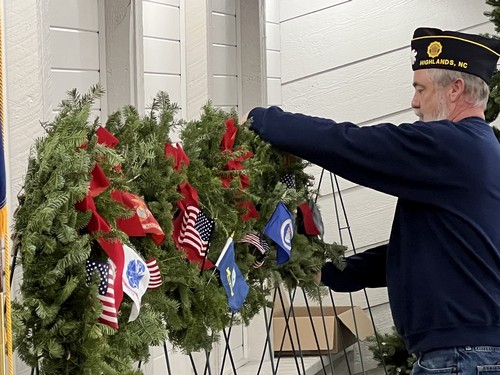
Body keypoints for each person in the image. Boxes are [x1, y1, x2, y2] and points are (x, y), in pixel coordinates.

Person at [245, 27, 500, 374]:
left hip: (461, 358)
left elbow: (350, 145)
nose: (414, 102)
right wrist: (335, 273)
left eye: (420, 89)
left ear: (455, 89)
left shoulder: (450, 145)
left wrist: (263, 120)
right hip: (468, 353)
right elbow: (432, 249)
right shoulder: (481, 149)